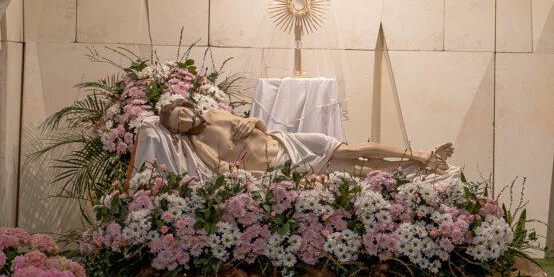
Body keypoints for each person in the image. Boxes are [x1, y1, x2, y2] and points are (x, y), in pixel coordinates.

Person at [150, 101, 453, 179]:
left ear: (186, 106)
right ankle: (415, 169)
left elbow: (259, 125)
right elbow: (222, 169)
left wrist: (251, 121)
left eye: (182, 113)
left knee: (351, 150)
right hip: (280, 165)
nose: (185, 120)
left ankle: (419, 155)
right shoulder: (199, 144)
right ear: (178, 130)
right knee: (357, 169)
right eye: (179, 123)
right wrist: (256, 177)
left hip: (287, 142)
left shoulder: (215, 113)